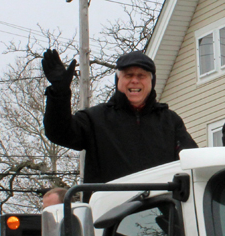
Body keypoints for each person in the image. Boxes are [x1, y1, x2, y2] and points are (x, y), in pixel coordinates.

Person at [42, 50, 197, 186]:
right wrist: (59, 93)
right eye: (128, 75)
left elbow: (191, 159)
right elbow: (59, 132)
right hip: (110, 212)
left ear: (152, 82)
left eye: (141, 75)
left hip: (161, 212)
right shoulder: (95, 119)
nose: (135, 80)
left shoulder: (169, 121)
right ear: (118, 81)